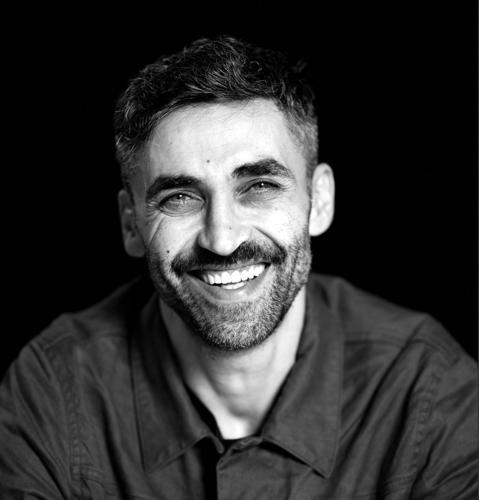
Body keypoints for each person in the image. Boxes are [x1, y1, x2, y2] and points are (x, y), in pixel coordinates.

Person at [0, 36, 476, 499]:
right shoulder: (54, 388)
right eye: (180, 197)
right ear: (131, 225)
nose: (223, 239)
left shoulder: (430, 390)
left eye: (259, 186)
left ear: (319, 201)